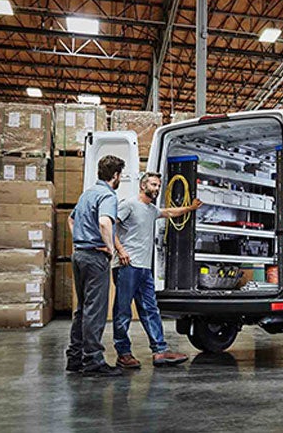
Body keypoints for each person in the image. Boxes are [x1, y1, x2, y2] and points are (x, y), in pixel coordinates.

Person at [112, 171, 203, 369]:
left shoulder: (151, 209)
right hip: (127, 266)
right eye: (153, 184)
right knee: (123, 311)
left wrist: (191, 207)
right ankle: (123, 353)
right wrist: (120, 251)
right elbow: (110, 227)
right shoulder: (129, 205)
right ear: (142, 185)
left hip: (144, 268)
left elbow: (170, 212)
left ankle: (159, 351)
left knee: (151, 309)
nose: (156, 188)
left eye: (158, 185)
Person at [66, 155, 126, 377]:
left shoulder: (87, 194)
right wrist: (110, 248)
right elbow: (104, 222)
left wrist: (80, 240)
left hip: (80, 255)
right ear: (116, 176)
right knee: (95, 311)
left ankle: (75, 358)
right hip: (95, 258)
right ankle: (93, 361)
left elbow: (71, 220)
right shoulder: (108, 195)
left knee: (82, 309)